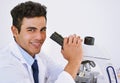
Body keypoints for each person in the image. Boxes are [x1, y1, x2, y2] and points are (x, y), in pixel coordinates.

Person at [0, 1, 83, 83]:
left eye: (43, 30)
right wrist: (74, 61)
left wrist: (74, 53)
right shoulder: (6, 67)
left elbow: (59, 74)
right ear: (15, 31)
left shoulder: (37, 56)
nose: (39, 37)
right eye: (31, 30)